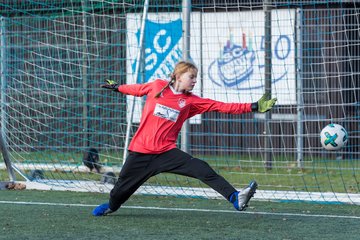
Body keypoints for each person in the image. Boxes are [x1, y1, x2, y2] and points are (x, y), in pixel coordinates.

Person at [93, 61, 277, 216]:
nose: (195, 81)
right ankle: (111, 206)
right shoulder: (157, 86)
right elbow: (137, 89)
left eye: (196, 78)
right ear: (179, 76)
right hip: (140, 153)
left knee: (202, 168)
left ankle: (235, 198)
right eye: (192, 77)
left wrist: (253, 106)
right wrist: (118, 87)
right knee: (119, 193)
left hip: (166, 153)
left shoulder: (190, 102)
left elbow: (221, 106)